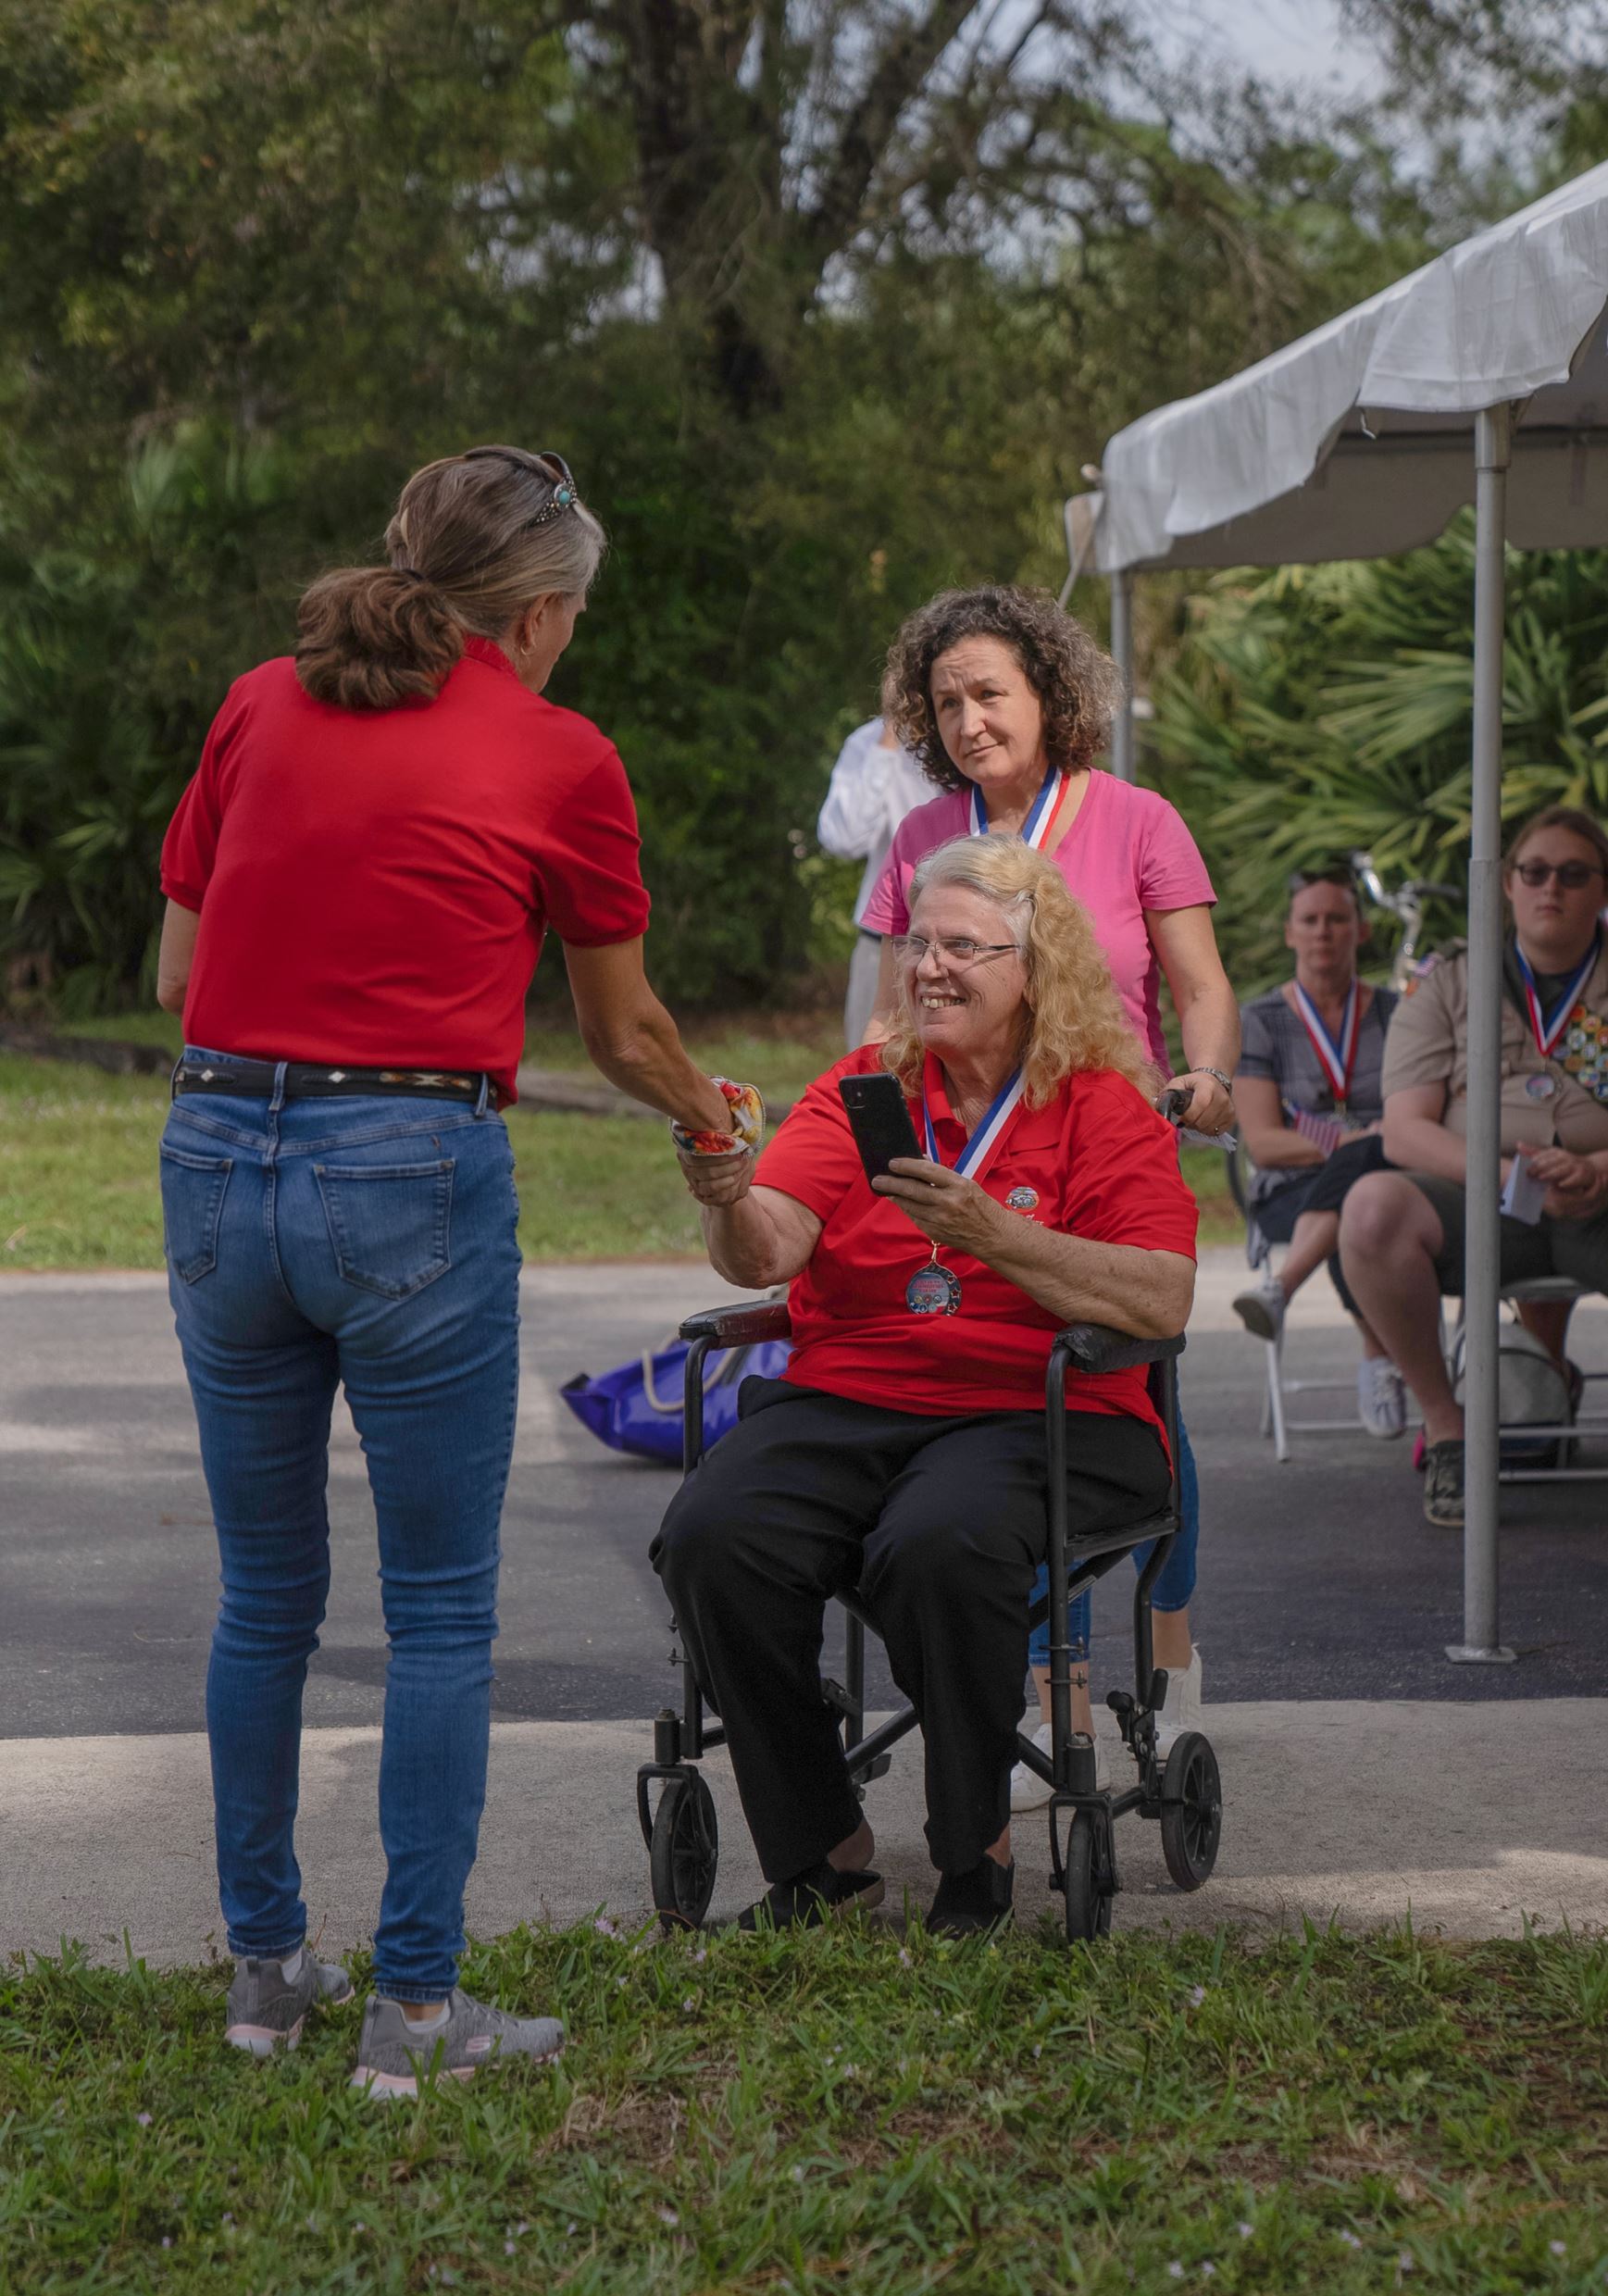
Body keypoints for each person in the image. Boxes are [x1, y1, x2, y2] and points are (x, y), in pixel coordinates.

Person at [156, 443, 747, 2094]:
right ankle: (413, 2015)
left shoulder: (261, 701)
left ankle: (264, 1981)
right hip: (408, 1171)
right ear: (543, 614)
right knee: (435, 1615)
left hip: (214, 1153)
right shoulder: (561, 752)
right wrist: (713, 1124)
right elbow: (622, 1028)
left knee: (266, 1595)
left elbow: (182, 957)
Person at [651, 835, 1198, 1935]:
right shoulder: (863, 1092)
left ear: (1035, 967)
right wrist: (722, 1188)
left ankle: (975, 1850)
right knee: (713, 1530)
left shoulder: (1100, 1106)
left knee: (940, 1539)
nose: (929, 967)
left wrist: (992, 1234)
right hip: (851, 1399)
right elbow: (767, 1252)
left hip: (1044, 1409)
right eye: (918, 944)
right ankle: (823, 1847)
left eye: (962, 945)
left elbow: (1162, 1298)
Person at [856, 585, 1237, 1791]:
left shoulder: (1135, 819)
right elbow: (881, 1023)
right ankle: (1056, 1701)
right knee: (1006, 1429)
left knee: (1143, 1423)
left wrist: (1212, 1075)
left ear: (1049, 696)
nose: (967, 720)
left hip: (1111, 1172)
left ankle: (1166, 1652)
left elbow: (1200, 986)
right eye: (945, 701)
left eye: (989, 695)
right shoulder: (916, 842)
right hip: (969, 1179)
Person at [1338, 805, 1608, 1528]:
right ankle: (1448, 1429)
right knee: (1370, 1209)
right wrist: (1505, 1178)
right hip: (1485, 1203)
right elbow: (1403, 1131)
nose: (1551, 887)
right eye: (1534, 871)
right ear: (1507, 886)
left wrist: (1601, 1168)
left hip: (1601, 1199)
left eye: (1574, 874)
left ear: (1601, 891)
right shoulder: (1450, 984)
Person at [1231, 867, 1404, 1437]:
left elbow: (1422, 1113)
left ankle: (1280, 1291)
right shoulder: (1260, 1020)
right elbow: (1263, 1143)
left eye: (1337, 919)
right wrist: (1359, 1142)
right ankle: (1379, 1359)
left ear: (1360, 930)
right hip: (1290, 1191)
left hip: (1384, 1185)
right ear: (1290, 933)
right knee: (1360, 1192)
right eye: (1311, 920)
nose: (1323, 931)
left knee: (1366, 1194)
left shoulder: (1396, 1013)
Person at [816, 718, 934, 1046]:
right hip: (883, 940)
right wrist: (887, 744)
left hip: (968, 943)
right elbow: (842, 839)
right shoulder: (866, 742)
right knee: (869, 1072)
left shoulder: (968, 736)